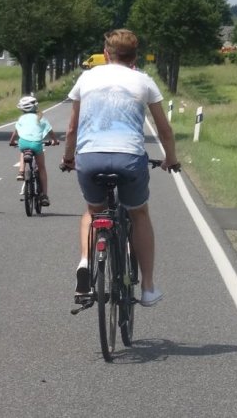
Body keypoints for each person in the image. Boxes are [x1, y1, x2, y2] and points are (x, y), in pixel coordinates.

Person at [60, 29, 179, 307]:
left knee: (93, 211)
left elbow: (72, 128)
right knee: (139, 214)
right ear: (135, 56)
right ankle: (148, 288)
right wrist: (171, 159)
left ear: (106, 53)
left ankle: (86, 263)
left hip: (90, 157)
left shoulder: (87, 78)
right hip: (129, 158)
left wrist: (68, 158)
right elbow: (164, 130)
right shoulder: (144, 81)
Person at [8, 95, 58, 207]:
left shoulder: (21, 119)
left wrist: (12, 142)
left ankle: (21, 171)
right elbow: (50, 131)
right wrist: (55, 141)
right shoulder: (40, 117)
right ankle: (44, 195)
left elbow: (15, 133)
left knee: (22, 150)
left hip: (23, 143)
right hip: (36, 144)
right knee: (41, 168)